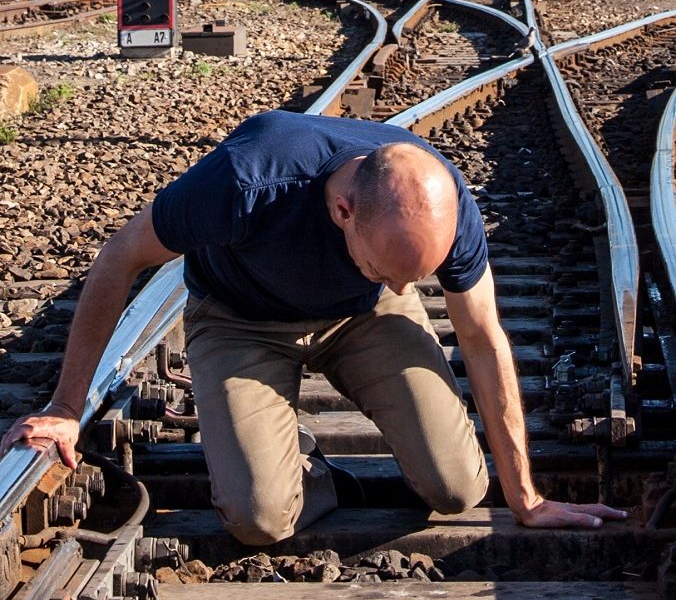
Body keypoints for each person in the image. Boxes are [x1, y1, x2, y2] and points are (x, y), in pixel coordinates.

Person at [0, 111, 626, 544]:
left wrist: (526, 496)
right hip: (240, 319)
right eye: (390, 267)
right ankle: (309, 470)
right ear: (342, 210)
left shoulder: (442, 202)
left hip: (361, 314)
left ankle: (313, 435)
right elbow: (120, 255)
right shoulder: (249, 180)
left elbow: (484, 337)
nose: (411, 290)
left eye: (418, 277)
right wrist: (64, 404)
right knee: (260, 518)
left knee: (460, 487)